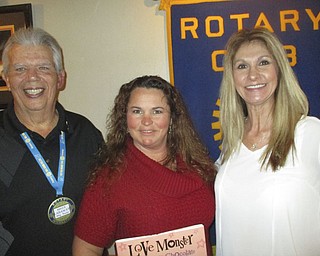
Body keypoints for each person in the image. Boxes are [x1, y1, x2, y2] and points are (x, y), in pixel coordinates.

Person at [72, 75, 216, 256]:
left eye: (157, 111)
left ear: (172, 118)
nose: (146, 121)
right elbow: (85, 249)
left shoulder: (198, 167)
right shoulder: (108, 179)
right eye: (137, 111)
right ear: (125, 118)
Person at [215, 27, 320, 256]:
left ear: (279, 70)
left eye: (263, 63)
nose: (253, 75)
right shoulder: (231, 144)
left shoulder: (309, 134)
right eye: (242, 66)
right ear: (232, 78)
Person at [0, 28, 104, 256]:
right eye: (20, 69)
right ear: (7, 78)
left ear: (61, 78)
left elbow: (111, 200)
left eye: (43, 67)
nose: (32, 77)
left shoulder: (85, 133)